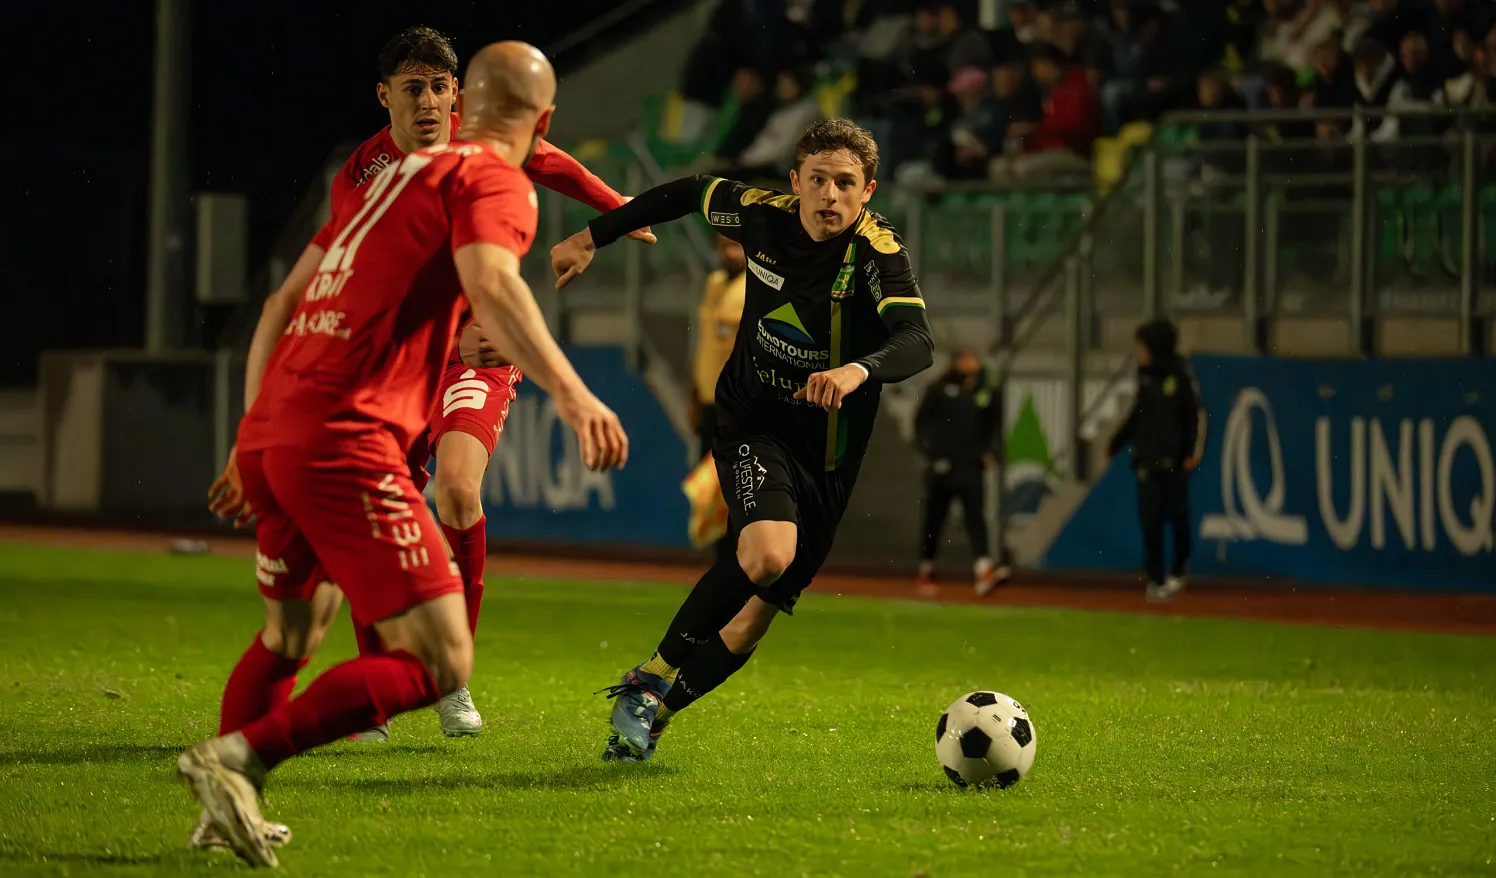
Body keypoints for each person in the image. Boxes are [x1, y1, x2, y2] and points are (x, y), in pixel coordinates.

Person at [181, 42, 629, 867]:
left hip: (279, 422)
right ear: (545, 122)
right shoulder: (494, 180)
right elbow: (494, 283)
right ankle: (236, 760)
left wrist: (249, 437)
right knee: (438, 657)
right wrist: (574, 396)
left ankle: (226, 805)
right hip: (344, 438)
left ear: (462, 100)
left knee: (290, 632)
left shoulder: (379, 180)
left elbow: (283, 301)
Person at [550, 118, 935, 763]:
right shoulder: (761, 214)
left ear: (868, 191)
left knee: (753, 620)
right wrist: (591, 236)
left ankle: (650, 719)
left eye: (846, 183)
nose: (830, 196)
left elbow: (918, 341)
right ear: (795, 181)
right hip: (754, 422)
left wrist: (857, 370)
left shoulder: (878, 253)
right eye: (818, 180)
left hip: (831, 453)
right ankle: (648, 677)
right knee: (766, 556)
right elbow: (687, 193)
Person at [1105, 319, 1204, 603]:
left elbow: (1193, 417)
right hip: (1146, 460)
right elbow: (1138, 413)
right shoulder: (1145, 377)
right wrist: (1118, 441)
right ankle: (1156, 579)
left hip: (1174, 461)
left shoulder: (1181, 377)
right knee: (1150, 522)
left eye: (1142, 347)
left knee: (1178, 518)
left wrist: (1189, 453)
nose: (1139, 352)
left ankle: (1179, 567)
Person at [914, 348, 1010, 597]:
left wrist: (990, 452)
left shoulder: (987, 391)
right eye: (965, 359)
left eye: (973, 359)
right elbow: (921, 422)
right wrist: (931, 452)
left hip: (970, 466)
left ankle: (983, 570)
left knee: (976, 518)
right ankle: (926, 568)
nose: (970, 363)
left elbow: (995, 426)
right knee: (934, 519)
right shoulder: (940, 388)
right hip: (942, 467)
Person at [692, 235, 748, 460]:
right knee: (705, 475)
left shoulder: (757, 287)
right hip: (708, 400)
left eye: (735, 246)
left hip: (737, 406)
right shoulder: (714, 282)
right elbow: (705, 342)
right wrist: (694, 394)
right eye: (723, 246)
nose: (728, 253)